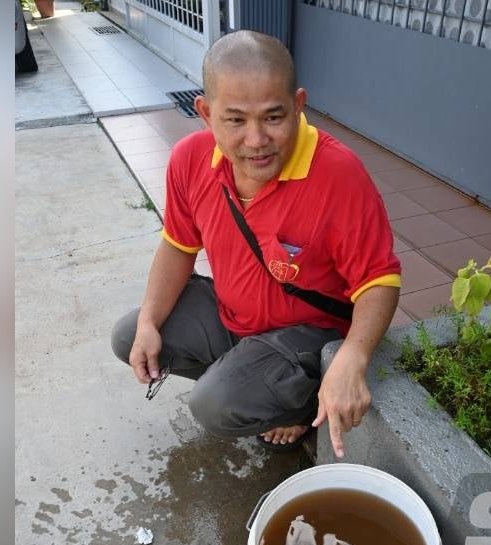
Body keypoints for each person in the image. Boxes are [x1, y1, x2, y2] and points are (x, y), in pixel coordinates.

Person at [111, 30, 401, 458]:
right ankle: (257, 384)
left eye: (273, 117)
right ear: (206, 114)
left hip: (309, 335)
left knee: (214, 405)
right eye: (235, 120)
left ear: (298, 105)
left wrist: (354, 357)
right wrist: (151, 320)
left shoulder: (338, 173)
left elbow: (380, 279)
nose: (256, 139)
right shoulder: (190, 159)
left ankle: (298, 405)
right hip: (235, 319)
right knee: (130, 334)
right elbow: (177, 246)